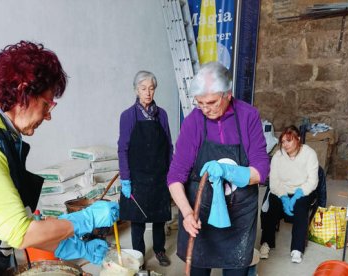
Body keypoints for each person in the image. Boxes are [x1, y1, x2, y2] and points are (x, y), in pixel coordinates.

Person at [0, 41, 119, 275]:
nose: (48, 116)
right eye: (47, 105)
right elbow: (19, 231)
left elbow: (21, 220)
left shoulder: (2, 133)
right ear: (23, 91)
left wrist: (76, 247)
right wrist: (82, 220)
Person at [167, 61, 270, 276]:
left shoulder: (248, 116)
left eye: (212, 102)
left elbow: (261, 171)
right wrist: (186, 214)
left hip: (239, 215)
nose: (206, 109)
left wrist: (229, 172)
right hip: (200, 213)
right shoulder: (193, 122)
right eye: (200, 103)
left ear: (228, 94)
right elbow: (175, 176)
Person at [118, 70, 173, 267]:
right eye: (143, 89)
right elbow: (122, 148)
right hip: (138, 177)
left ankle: (159, 250)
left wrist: (171, 173)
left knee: (159, 218)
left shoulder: (162, 115)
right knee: (138, 221)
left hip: (159, 175)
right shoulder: (128, 116)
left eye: (151, 88)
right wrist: (125, 178)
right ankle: (138, 256)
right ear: (136, 90)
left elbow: (168, 145)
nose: (148, 93)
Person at [259, 125, 318, 264]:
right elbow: (273, 181)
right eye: (283, 141)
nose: (285, 145)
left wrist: (298, 194)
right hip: (282, 191)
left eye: (289, 141)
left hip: (302, 190)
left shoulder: (309, 154)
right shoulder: (278, 156)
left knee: (301, 208)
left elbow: (313, 181)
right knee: (270, 207)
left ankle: (297, 249)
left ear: (298, 139)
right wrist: (283, 196)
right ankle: (266, 242)